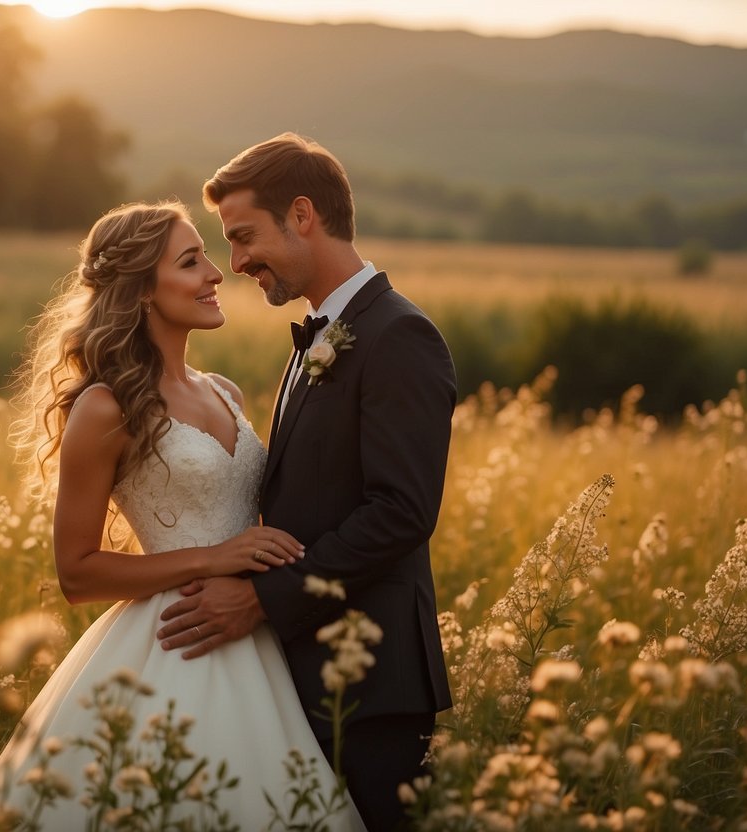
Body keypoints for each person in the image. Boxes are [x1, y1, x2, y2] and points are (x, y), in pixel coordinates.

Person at [0, 201, 365, 830]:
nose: (215, 273)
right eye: (191, 261)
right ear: (143, 291)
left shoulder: (222, 390)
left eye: (207, 257)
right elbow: (77, 573)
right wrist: (213, 557)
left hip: (256, 635)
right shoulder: (106, 406)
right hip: (175, 642)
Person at [156, 134, 456, 830]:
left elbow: (400, 512)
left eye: (242, 237)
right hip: (299, 676)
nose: (234, 264)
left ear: (300, 214)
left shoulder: (398, 335)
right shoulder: (322, 334)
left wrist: (264, 598)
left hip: (373, 682)